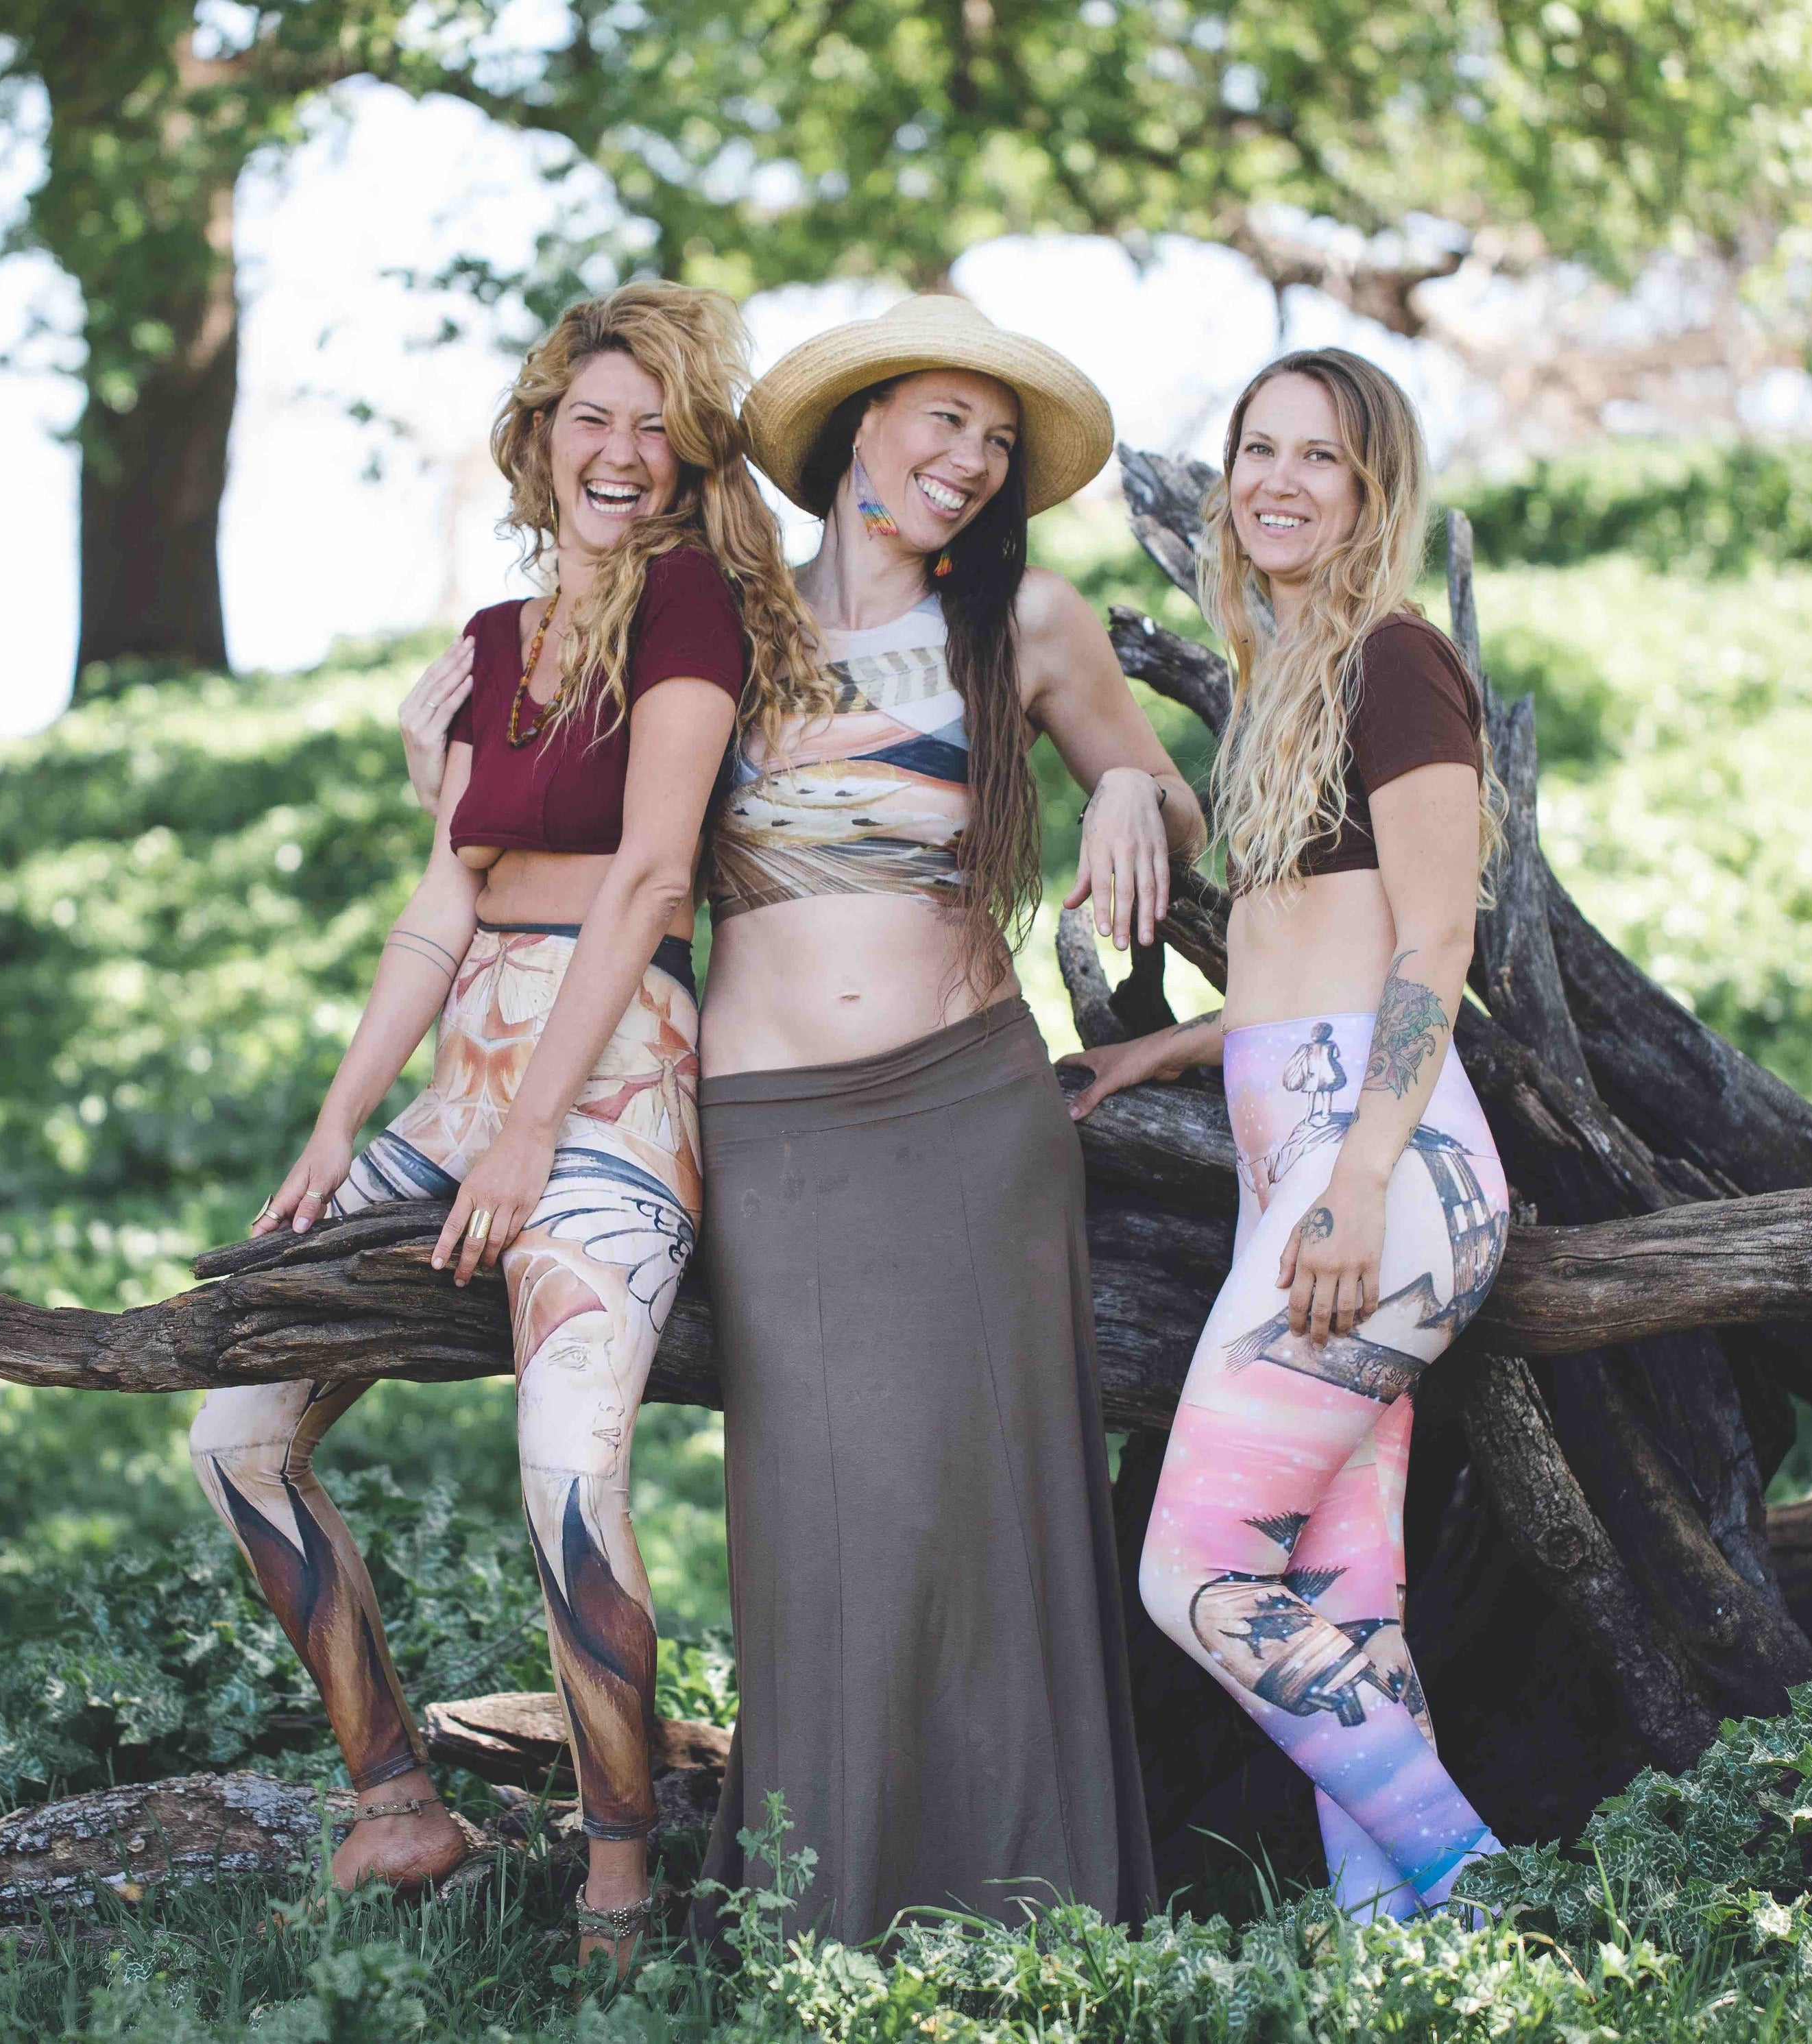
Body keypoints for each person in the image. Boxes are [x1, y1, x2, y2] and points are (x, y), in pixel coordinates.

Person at [409, 292, 1205, 1945]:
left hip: (976, 1112)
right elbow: (564, 774)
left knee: (996, 1508)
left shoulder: (1030, 622)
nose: (969, 464)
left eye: (995, 443)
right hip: (773, 1125)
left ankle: (1041, 1914)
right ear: (855, 432)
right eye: (940, 423)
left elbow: (1171, 797)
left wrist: (1128, 784)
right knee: (831, 1515)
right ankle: (828, 1923)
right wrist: (437, 744)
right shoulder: (721, 608)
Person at [189, 282, 819, 1977]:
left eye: (652, 427)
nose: (618, 454)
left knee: (566, 1472)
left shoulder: (692, 604)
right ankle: (395, 1797)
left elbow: (655, 877)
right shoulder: (488, 642)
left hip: (609, 1087)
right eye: (588, 419)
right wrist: (340, 1129)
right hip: (459, 1088)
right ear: (542, 435)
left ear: (689, 457)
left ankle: (622, 1868)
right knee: (235, 1431)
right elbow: (437, 906)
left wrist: (534, 1136)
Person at [1062, 348, 1512, 1921]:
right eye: (1256, 449)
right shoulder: (1286, 684)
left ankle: (1476, 1885)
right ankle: (1405, 1970)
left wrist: (1360, 1185)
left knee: (1193, 1576)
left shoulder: (1395, 661)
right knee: (1340, 1601)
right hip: (1315, 1166)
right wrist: (1154, 1061)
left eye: (1318, 457)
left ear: (1372, 489)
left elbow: (1433, 943)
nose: (1274, 481)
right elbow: (1297, 974)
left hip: (1376, 1181)